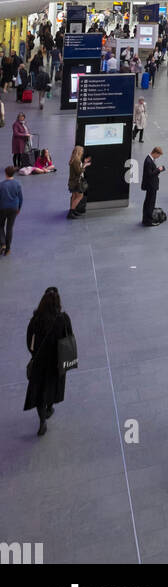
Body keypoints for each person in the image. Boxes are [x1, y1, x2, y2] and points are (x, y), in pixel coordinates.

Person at [24, 286, 75, 436]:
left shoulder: (35, 320)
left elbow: (29, 342)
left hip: (40, 363)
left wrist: (34, 354)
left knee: (39, 392)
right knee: (53, 387)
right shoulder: (63, 319)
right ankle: (50, 408)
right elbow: (69, 336)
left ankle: (42, 421)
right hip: (56, 362)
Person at [0, 165, 23, 255]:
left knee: (0, 225)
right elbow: (20, 198)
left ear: (6, 173)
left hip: (2, 208)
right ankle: (8, 249)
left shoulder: (1, 185)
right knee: (9, 228)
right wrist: (19, 208)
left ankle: (2, 243)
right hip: (13, 208)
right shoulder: (17, 184)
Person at [141, 146, 164, 226]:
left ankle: (146, 219)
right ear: (155, 153)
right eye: (158, 155)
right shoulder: (149, 161)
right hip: (151, 185)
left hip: (150, 185)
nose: (158, 157)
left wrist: (157, 170)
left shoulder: (149, 160)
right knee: (150, 203)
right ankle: (148, 220)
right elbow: (150, 174)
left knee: (148, 202)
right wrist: (159, 170)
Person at [67, 145, 91, 219]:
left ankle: (72, 211)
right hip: (76, 182)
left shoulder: (74, 159)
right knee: (80, 196)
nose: (82, 153)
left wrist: (84, 163)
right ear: (79, 152)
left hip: (72, 181)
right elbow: (79, 172)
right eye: (82, 151)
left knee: (74, 196)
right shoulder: (76, 161)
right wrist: (85, 165)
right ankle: (71, 212)